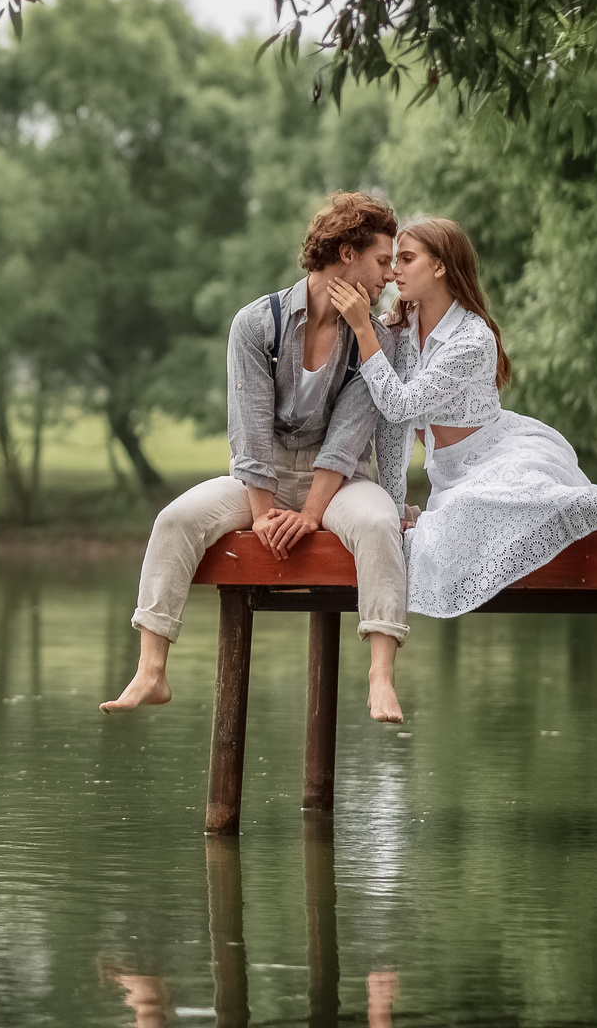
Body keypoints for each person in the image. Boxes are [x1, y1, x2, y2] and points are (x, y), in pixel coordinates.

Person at [322, 215, 597, 618]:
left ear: (439, 267)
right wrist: (395, 505)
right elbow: (391, 428)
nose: (394, 271)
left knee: (532, 497)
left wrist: (362, 330)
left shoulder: (472, 339)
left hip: (498, 454)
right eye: (393, 260)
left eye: (406, 258)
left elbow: (401, 404)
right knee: (453, 521)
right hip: (449, 475)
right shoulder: (398, 329)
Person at [104, 192, 416, 723]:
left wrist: (311, 514)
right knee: (175, 519)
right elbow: (248, 431)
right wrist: (265, 514)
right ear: (347, 253)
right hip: (261, 478)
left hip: (336, 482)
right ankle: (151, 671)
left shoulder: (376, 339)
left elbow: (346, 440)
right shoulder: (256, 324)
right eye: (383, 260)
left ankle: (381, 676)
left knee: (379, 521)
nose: (390, 275)